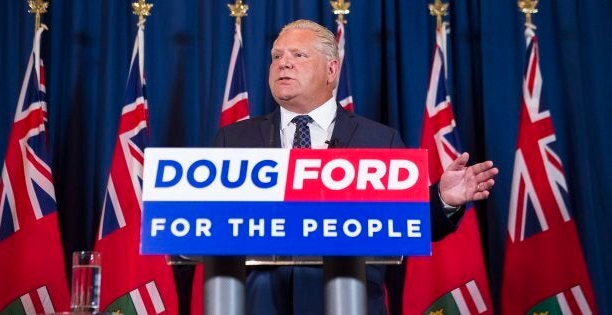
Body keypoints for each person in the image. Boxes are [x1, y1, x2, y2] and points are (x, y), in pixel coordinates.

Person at [213, 19, 498, 315]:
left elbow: (405, 223)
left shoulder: (379, 139)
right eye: (276, 56)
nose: (283, 64)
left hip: (349, 302)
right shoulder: (233, 139)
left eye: (298, 55)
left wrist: (442, 200)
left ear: (332, 70)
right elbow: (207, 223)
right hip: (259, 305)